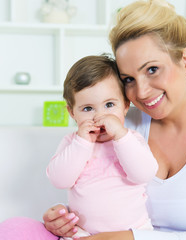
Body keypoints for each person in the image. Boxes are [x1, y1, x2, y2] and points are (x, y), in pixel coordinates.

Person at [0, 0, 186, 239]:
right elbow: (88, 186)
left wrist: (128, 237)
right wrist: (62, 218)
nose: (142, 92)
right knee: (12, 230)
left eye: (152, 69)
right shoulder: (117, 122)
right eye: (128, 80)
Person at [47, 55, 158, 239]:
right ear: (72, 112)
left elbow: (144, 174)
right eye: (87, 109)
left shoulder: (130, 139)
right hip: (82, 234)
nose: (99, 116)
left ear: (125, 105)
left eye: (109, 105)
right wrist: (82, 143)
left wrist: (120, 136)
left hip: (134, 232)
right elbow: (60, 180)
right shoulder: (72, 142)